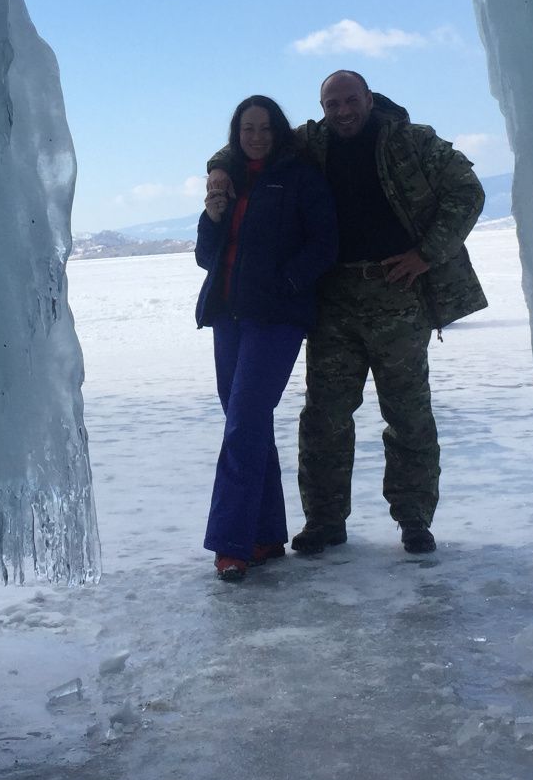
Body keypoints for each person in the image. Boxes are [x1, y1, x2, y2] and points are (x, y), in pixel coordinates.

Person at [208, 70, 485, 558]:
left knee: (408, 413)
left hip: (397, 294)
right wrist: (215, 170)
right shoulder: (312, 141)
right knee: (324, 416)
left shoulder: (412, 141)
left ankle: (414, 518)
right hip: (334, 298)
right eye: (331, 104)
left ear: (368, 99)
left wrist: (426, 253)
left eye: (349, 101)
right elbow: (247, 142)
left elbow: (467, 190)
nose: (342, 111)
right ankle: (324, 521)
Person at [195, 95, 338, 582]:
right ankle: (266, 533)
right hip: (227, 318)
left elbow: (325, 244)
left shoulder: (299, 178)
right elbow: (204, 256)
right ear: (236, 134)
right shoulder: (229, 181)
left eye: (264, 128)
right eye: (246, 128)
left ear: (278, 131)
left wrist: (287, 284)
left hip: (274, 319)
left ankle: (230, 544)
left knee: (243, 424)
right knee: (248, 426)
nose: (255, 136)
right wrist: (212, 216)